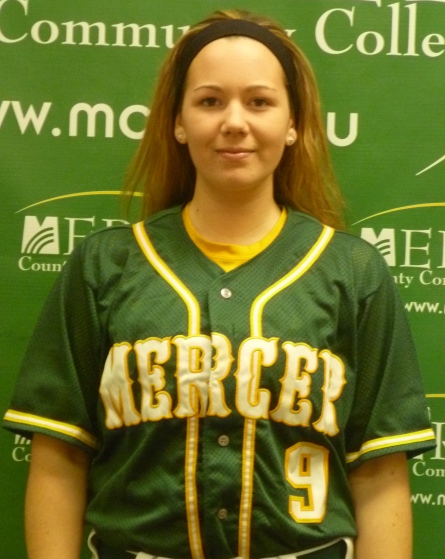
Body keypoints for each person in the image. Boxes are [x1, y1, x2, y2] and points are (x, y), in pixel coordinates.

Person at [3, 9, 436, 559]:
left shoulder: (353, 271)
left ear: (293, 122)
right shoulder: (104, 265)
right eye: (210, 101)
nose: (234, 121)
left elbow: (378, 473)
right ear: (178, 122)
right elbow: (59, 459)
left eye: (259, 102)